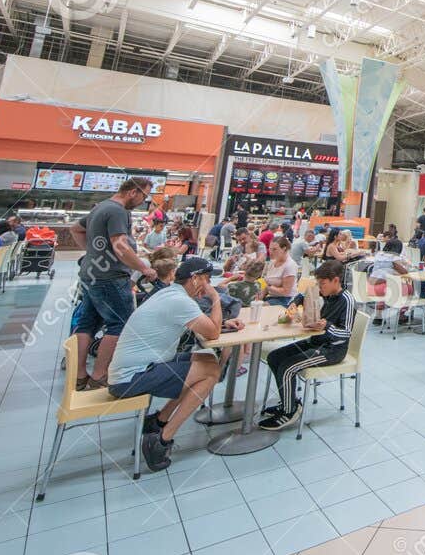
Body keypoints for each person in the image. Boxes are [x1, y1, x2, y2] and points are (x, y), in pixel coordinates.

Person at [107, 256, 237, 472]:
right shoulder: (180, 301)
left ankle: (158, 420)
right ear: (195, 279)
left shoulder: (169, 294)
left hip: (131, 371)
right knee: (211, 370)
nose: (207, 285)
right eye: (206, 279)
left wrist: (223, 323)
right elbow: (212, 332)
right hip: (130, 379)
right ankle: (162, 439)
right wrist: (215, 297)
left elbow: (206, 327)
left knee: (205, 359)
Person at [70, 177, 158, 389]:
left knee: (87, 324)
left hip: (91, 274)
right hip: (110, 277)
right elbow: (120, 247)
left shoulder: (101, 207)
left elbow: (75, 229)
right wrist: (144, 268)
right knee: (120, 324)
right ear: (132, 192)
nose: (143, 201)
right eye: (144, 196)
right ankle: (100, 375)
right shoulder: (117, 211)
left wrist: (93, 252)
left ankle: (80, 374)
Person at [256, 259, 354, 431]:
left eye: (322, 283)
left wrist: (327, 326)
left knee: (287, 367)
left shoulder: (347, 300)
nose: (319, 286)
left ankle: (289, 412)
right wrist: (296, 301)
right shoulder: (324, 292)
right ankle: (289, 401)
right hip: (314, 341)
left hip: (332, 350)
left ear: (336, 281)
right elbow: (303, 295)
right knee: (274, 357)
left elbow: (346, 333)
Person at [262, 237, 298, 305]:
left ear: (284, 249)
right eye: (270, 249)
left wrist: (269, 287)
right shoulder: (271, 263)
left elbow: (286, 291)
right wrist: (260, 296)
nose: (271, 252)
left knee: (261, 306)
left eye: (275, 249)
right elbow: (266, 285)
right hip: (272, 297)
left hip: (286, 299)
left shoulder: (289, 265)